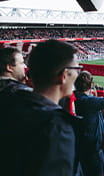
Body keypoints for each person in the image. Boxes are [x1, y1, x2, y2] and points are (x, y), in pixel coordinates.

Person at [0, 40, 82, 175]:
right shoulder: (56, 127)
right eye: (77, 69)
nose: (78, 74)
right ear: (64, 75)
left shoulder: (10, 104)